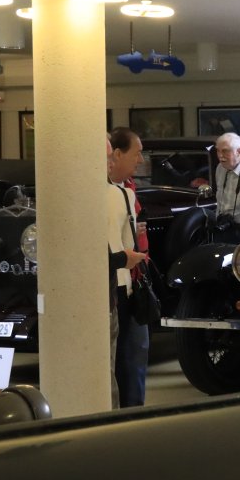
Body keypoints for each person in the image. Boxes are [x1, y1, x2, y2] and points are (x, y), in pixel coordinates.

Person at [107, 130, 149, 408]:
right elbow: (124, 245)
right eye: (137, 153)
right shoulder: (120, 194)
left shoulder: (126, 189)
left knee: (123, 361)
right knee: (127, 360)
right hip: (120, 283)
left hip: (123, 282)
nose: (141, 160)